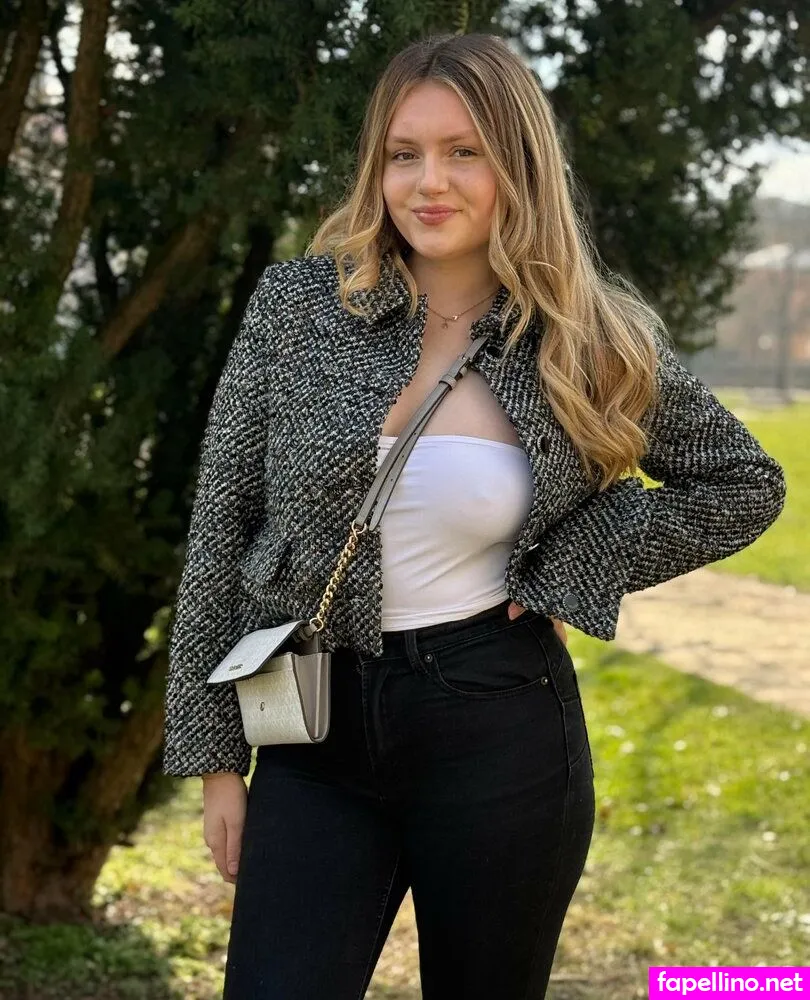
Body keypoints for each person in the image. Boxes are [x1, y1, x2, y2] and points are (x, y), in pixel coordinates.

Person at [161, 32, 786, 1000]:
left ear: (518, 165)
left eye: (464, 152)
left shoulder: (585, 336)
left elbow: (743, 482)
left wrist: (575, 558)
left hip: (498, 729)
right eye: (403, 154)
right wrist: (215, 762)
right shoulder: (298, 307)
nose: (428, 182)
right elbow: (219, 530)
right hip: (314, 735)